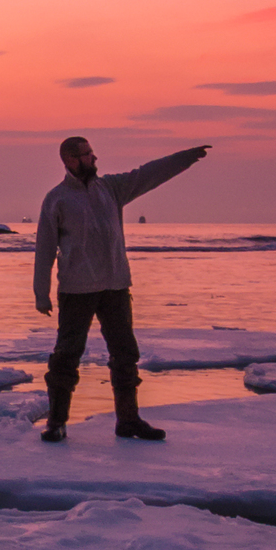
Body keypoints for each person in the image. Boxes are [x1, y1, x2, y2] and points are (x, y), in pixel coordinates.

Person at [32, 136, 210, 441]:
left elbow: (148, 174)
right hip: (76, 290)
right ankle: (57, 422)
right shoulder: (57, 199)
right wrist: (41, 293)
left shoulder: (111, 189)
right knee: (66, 356)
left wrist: (185, 158)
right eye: (87, 155)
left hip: (115, 286)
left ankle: (128, 420)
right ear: (70, 160)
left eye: (92, 152)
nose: (94, 158)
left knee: (125, 354)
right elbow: (45, 249)